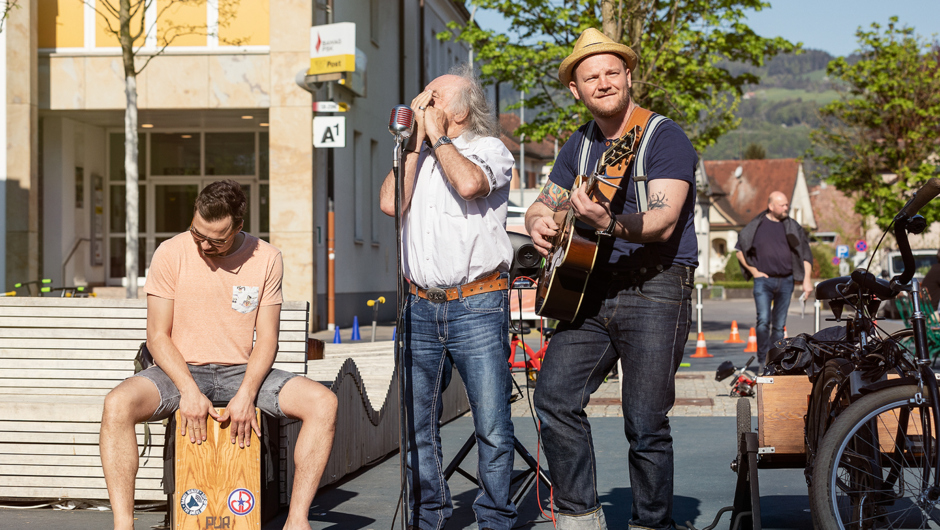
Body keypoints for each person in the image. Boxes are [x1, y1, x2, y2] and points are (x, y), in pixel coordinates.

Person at [525, 28, 699, 530]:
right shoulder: (578, 144)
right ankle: (581, 518)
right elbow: (546, 202)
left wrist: (612, 224)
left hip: (656, 286)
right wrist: (540, 221)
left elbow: (664, 219)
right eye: (589, 76)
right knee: (555, 398)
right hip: (588, 288)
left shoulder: (664, 136)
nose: (602, 83)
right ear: (575, 90)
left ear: (628, 77)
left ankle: (651, 523)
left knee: (645, 423)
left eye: (610, 72)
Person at [99, 180, 338, 530]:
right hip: (178, 371)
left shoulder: (266, 258)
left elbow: (267, 338)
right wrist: (189, 391)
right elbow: (157, 336)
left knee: (323, 403)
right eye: (198, 233)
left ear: (239, 226)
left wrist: (247, 393)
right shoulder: (171, 252)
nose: (205, 244)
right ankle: (124, 524)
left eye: (217, 239)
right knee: (116, 404)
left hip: (241, 371)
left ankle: (297, 520)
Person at [379, 64, 516, 530]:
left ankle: (495, 519)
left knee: (492, 424)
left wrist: (438, 140)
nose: (423, 103)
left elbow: (470, 185)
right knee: (416, 422)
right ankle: (428, 517)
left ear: (459, 110)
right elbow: (389, 204)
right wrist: (417, 144)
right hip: (419, 304)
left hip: (477, 303)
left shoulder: (488, 150)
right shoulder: (414, 153)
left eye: (433, 98)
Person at [735, 191, 814, 372]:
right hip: (764, 281)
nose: (786, 208)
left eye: (787, 205)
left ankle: (774, 361)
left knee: (779, 326)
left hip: (786, 281)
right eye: (782, 205)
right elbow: (739, 249)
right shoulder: (756, 225)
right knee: (763, 321)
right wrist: (754, 271)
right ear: (771, 206)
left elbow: (806, 254)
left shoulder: (793, 226)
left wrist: (806, 280)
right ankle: (762, 360)